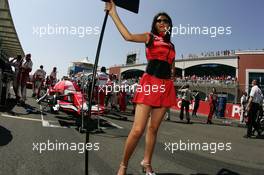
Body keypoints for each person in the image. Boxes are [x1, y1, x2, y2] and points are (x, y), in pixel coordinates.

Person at [105, 1, 176, 174]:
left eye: (165, 21)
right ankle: (123, 165)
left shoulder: (172, 45)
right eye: (159, 20)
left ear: (169, 25)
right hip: (150, 83)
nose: (162, 23)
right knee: (138, 130)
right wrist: (113, 13)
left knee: (153, 129)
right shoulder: (149, 37)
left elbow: (172, 65)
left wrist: (172, 74)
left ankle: (147, 163)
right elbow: (127, 36)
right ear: (154, 24)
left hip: (166, 86)